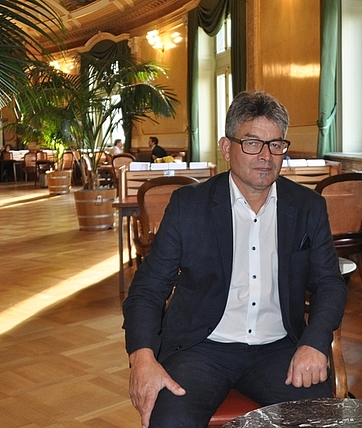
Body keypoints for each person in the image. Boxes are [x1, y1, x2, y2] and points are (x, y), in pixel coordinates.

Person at [122, 91, 348, 428]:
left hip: (278, 349)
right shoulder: (189, 205)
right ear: (227, 147)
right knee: (169, 422)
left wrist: (315, 343)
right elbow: (148, 288)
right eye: (253, 143)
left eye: (276, 145)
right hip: (201, 348)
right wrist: (142, 358)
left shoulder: (306, 206)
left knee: (323, 422)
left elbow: (329, 282)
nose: (266, 156)